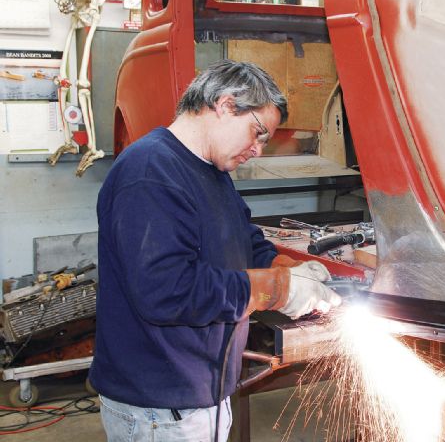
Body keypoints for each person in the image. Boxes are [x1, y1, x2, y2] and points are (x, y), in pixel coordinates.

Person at [89, 60, 342, 441]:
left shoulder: (210, 171)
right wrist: (275, 290)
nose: (257, 150)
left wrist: (285, 267)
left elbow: (243, 240)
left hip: (197, 396)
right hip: (160, 409)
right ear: (225, 105)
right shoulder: (150, 172)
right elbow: (166, 291)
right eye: (257, 133)